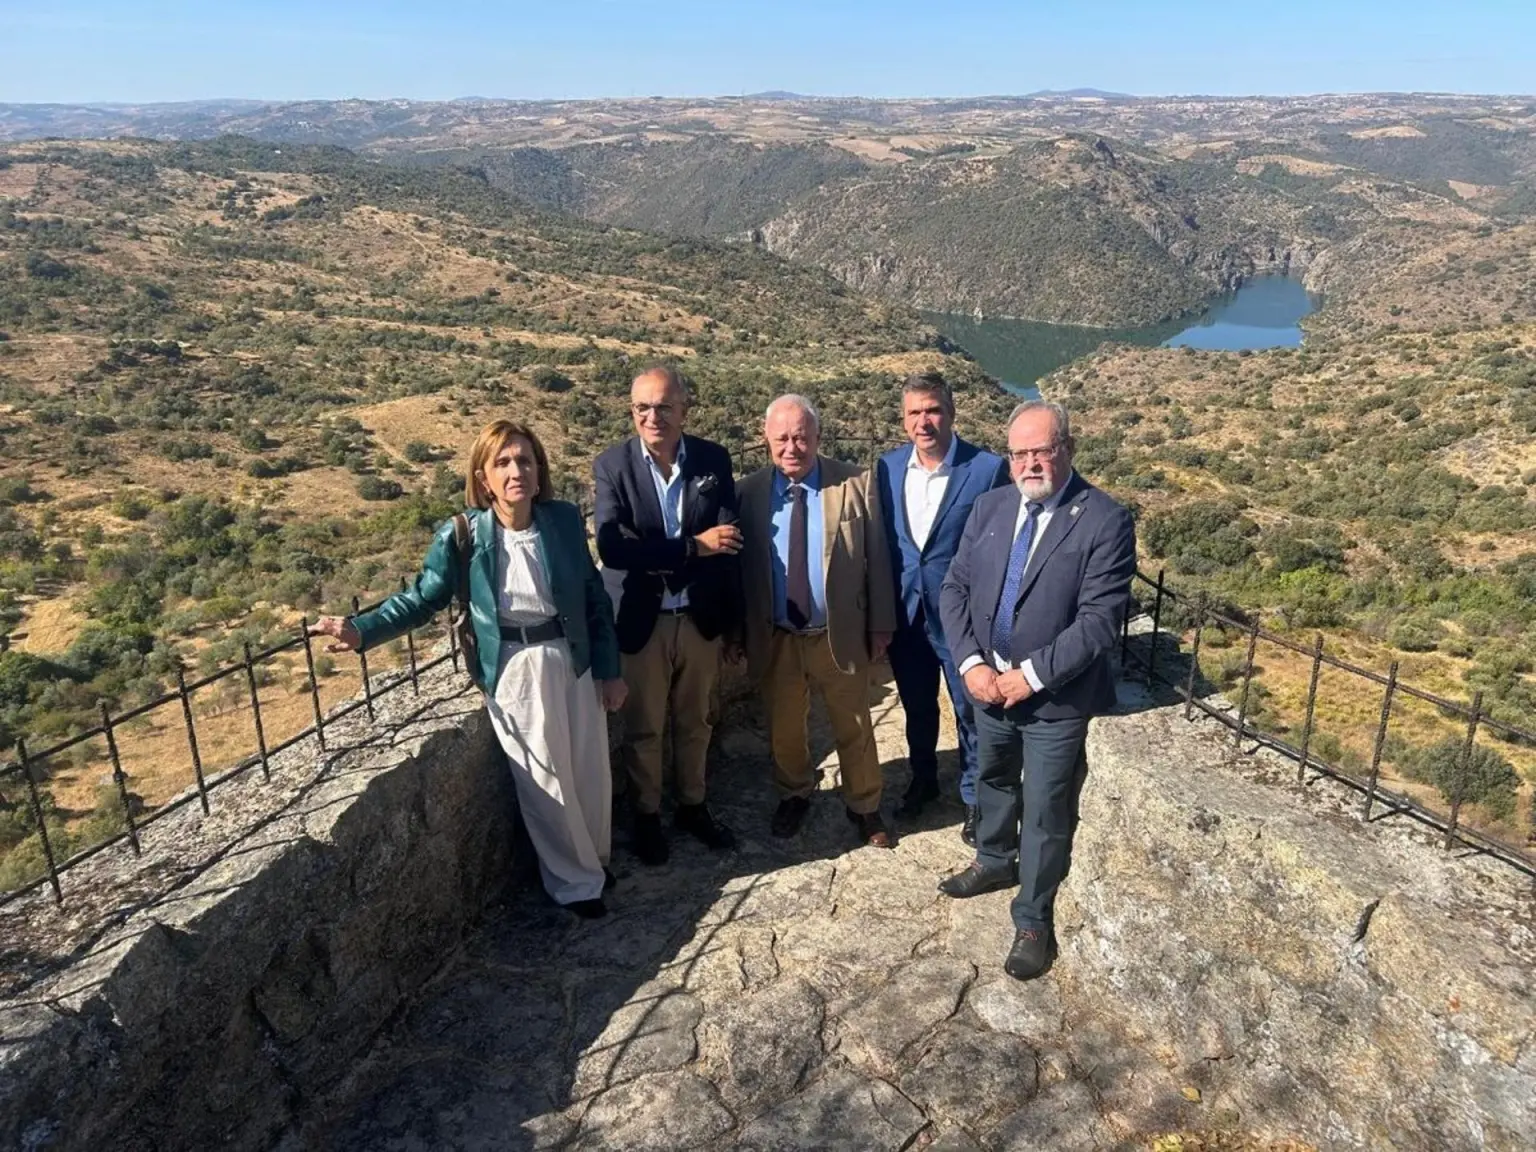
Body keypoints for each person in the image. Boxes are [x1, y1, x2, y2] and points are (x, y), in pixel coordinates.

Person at [310, 420, 625, 919]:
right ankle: (575, 884)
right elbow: (422, 599)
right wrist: (361, 630)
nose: (516, 471)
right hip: (516, 667)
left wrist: (610, 670)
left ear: (539, 470)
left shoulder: (562, 520)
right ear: (483, 477)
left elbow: (593, 598)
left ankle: (596, 862)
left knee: (589, 772)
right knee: (546, 782)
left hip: (573, 655)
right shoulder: (463, 535)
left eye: (525, 460)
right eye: (503, 462)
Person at [937, 400, 1136, 980]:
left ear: (1067, 449)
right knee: (994, 777)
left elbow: (1098, 622)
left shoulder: (1104, 519)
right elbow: (955, 588)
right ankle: (994, 859)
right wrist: (971, 663)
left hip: (1054, 697)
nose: (1029, 464)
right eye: (1019, 453)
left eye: (1041, 451)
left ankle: (1032, 917)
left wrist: (1030, 676)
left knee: (1047, 808)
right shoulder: (991, 506)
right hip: (989, 685)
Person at [593, 364, 744, 866]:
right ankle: (647, 817)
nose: (652, 416)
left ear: (684, 409)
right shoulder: (612, 466)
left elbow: (728, 539)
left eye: (663, 406)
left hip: (699, 618)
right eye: (642, 407)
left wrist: (732, 623)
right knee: (644, 729)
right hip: (644, 620)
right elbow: (614, 549)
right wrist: (692, 548)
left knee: (696, 721)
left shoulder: (712, 459)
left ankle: (693, 806)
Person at [737, 394, 898, 849]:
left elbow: (878, 557)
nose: (792, 447)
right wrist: (737, 633)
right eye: (782, 438)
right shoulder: (747, 493)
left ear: (818, 437)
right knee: (785, 725)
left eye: (801, 437)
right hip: (778, 636)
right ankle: (794, 793)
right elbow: (738, 570)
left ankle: (864, 805)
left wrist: (881, 625)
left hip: (839, 632)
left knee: (855, 723)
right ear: (766, 438)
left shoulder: (854, 483)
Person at [876, 372, 1009, 842]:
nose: (924, 421)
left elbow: (1001, 546)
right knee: (917, 707)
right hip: (907, 615)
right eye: (914, 412)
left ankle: (974, 797)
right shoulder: (887, 468)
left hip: (963, 620)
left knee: (970, 709)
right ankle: (924, 780)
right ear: (903, 419)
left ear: (951, 413)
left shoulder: (986, 469)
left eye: (932, 410)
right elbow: (885, 544)